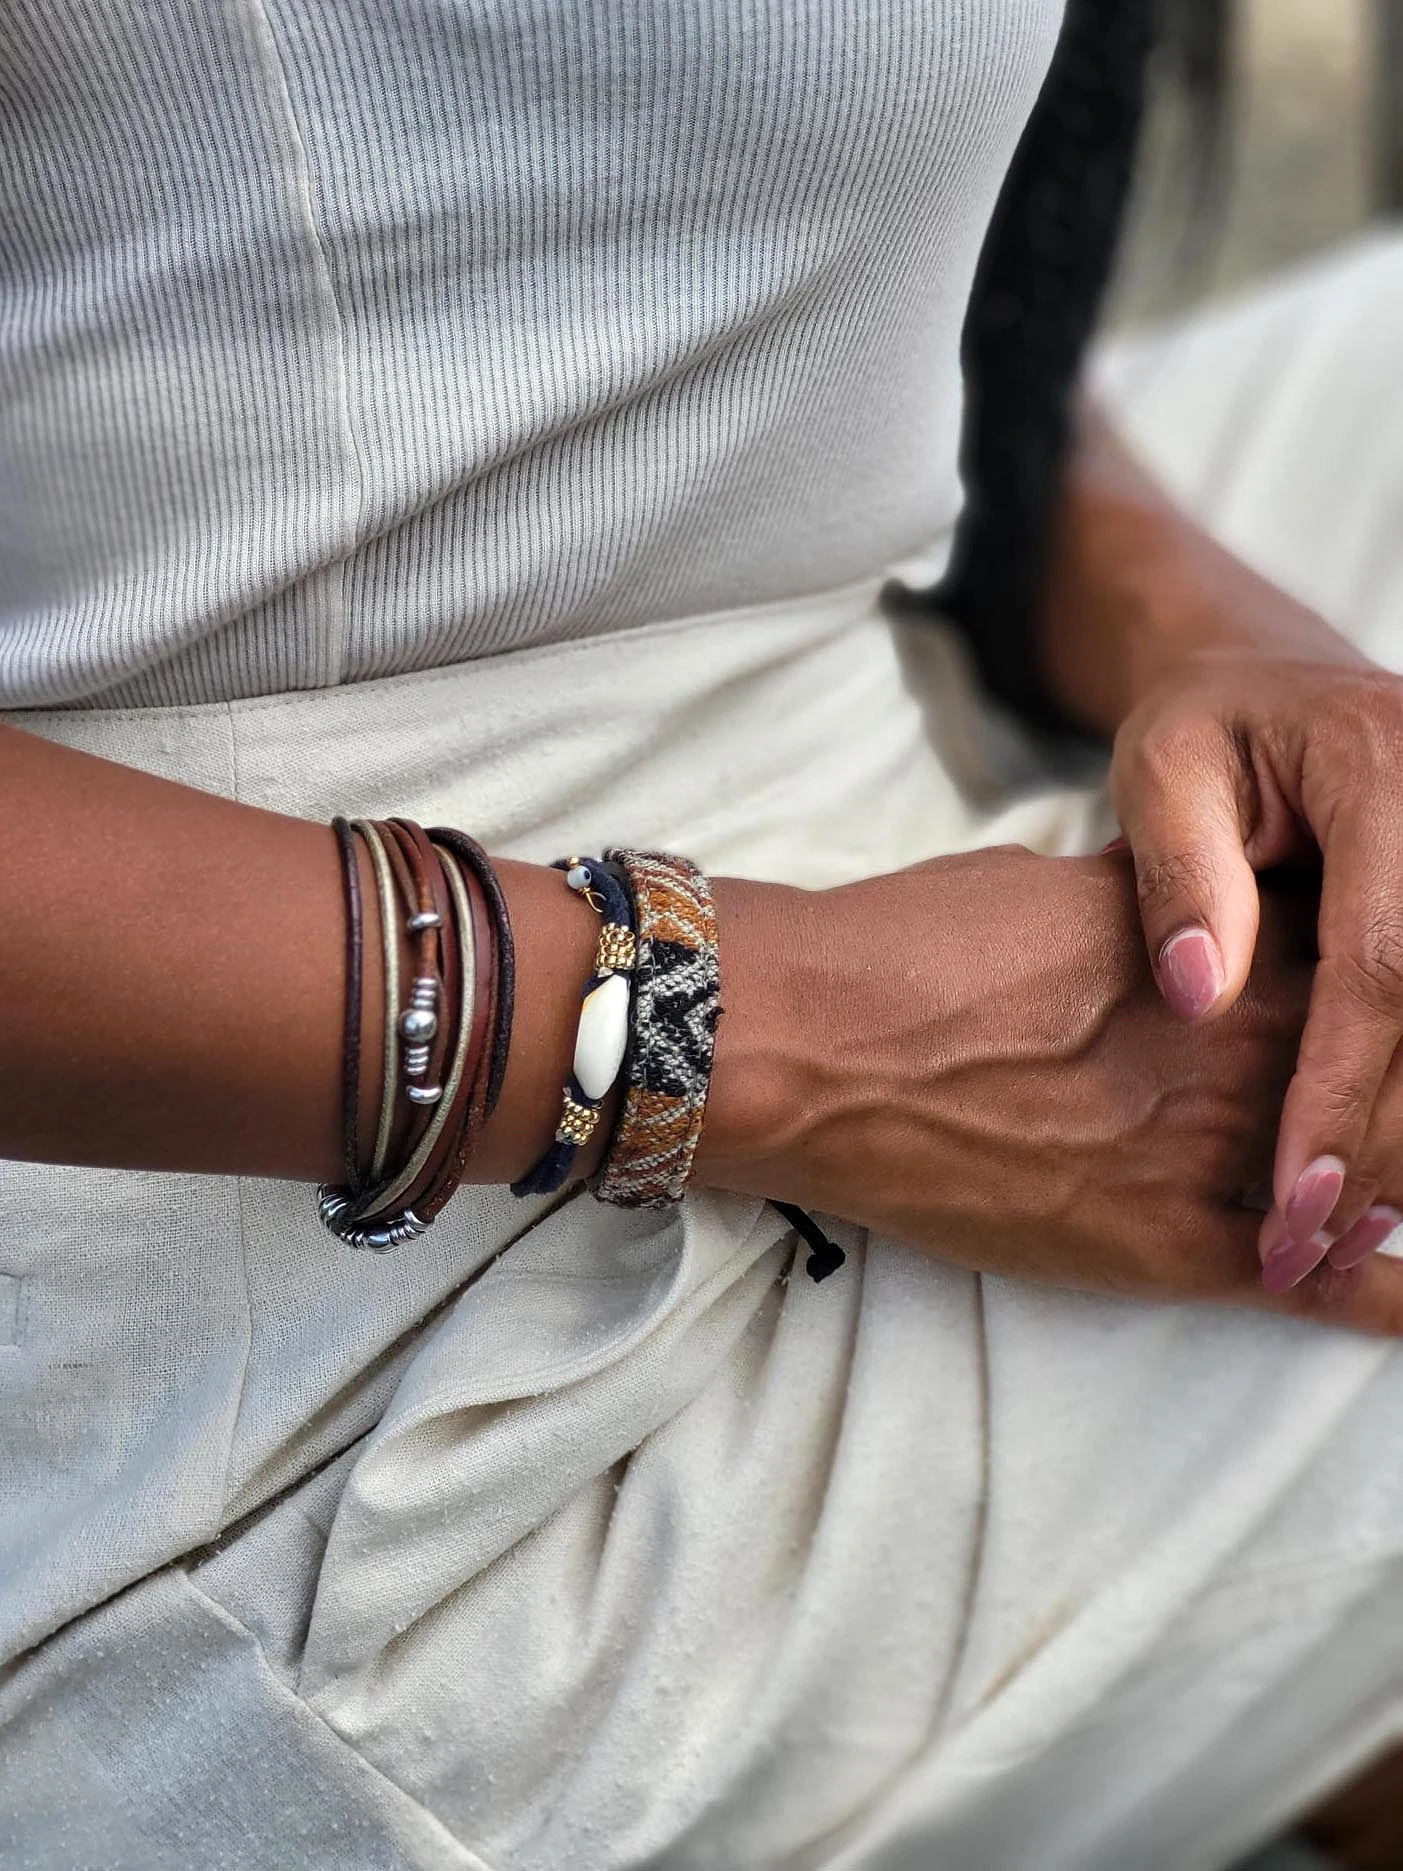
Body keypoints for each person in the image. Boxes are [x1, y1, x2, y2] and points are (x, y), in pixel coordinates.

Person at [2, 1, 1402, 1865]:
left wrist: (1230, 644)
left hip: (862, 695)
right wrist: (794, 1037)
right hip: (296, 1396)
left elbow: (803, 288)